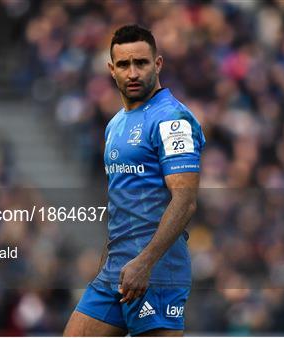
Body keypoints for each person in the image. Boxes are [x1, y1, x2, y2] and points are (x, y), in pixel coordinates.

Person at [64, 24, 205, 337]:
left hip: (156, 272)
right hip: (116, 271)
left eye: (141, 63)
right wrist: (107, 264)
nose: (132, 73)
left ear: (157, 64)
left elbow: (185, 200)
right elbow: (121, 204)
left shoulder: (171, 120)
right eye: (124, 65)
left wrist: (145, 263)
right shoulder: (115, 124)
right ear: (111, 70)